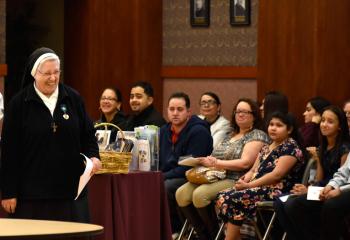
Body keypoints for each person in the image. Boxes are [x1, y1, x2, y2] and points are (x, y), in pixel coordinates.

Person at [0, 47, 101, 222]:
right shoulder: (19, 104)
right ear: (34, 73)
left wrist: (94, 156)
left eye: (56, 72)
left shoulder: (73, 98)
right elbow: (9, 152)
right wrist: (8, 192)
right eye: (47, 73)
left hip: (70, 193)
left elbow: (88, 134)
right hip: (31, 196)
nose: (53, 78)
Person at [176, 98, 269, 240]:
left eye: (245, 111)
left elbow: (245, 163)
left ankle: (215, 236)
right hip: (215, 174)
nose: (240, 114)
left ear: (254, 115)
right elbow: (214, 156)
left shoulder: (257, 134)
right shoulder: (230, 134)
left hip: (236, 178)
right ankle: (203, 235)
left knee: (200, 195)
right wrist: (205, 161)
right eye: (237, 111)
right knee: (181, 194)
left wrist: (217, 163)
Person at [216, 111, 305, 240]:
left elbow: (276, 175)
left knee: (231, 198)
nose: (273, 128)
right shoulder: (266, 147)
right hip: (257, 186)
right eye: (271, 124)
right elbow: (253, 170)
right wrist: (244, 179)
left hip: (277, 190)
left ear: (289, 129)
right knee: (221, 195)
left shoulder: (290, 147)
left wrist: (248, 185)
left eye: (279, 125)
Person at [274, 105, 350, 240]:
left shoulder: (344, 148)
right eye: (323, 120)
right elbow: (319, 178)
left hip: (331, 189)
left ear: (339, 126)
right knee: (280, 201)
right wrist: (308, 187)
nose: (324, 124)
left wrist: (310, 191)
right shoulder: (322, 147)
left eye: (330, 122)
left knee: (293, 204)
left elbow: (342, 177)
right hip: (322, 187)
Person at [159, 92, 213, 239]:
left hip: (193, 176)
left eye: (180, 109)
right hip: (169, 174)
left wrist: (161, 176)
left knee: (167, 186)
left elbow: (189, 166)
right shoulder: (164, 131)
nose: (175, 113)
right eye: (171, 109)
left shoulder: (198, 131)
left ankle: (175, 230)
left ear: (188, 112)